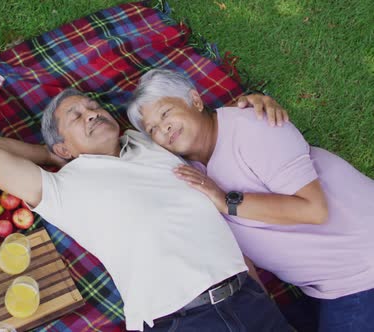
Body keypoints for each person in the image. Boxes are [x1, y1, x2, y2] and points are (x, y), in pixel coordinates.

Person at [0, 88, 292, 331]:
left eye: (93, 106)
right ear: (63, 146)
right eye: (76, 117)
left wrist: (250, 103)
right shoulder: (63, 187)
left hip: (249, 298)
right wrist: (49, 155)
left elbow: (201, 122)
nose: (92, 113)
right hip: (181, 319)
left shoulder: (147, 141)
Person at [127, 68, 374, 332]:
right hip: (324, 287)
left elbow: (314, 210)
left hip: (361, 269)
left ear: (195, 101)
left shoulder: (254, 127)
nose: (163, 128)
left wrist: (226, 201)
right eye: (152, 129)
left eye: (166, 113)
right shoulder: (190, 169)